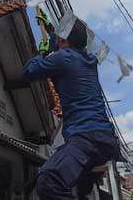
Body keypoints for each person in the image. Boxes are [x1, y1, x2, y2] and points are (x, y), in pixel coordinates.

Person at [23, 18, 119, 199]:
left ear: (63, 40)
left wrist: (42, 53)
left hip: (85, 137)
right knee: (78, 189)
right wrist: (55, 39)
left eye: (59, 38)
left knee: (49, 181)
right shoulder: (89, 61)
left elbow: (28, 72)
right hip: (104, 140)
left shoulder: (63, 57)